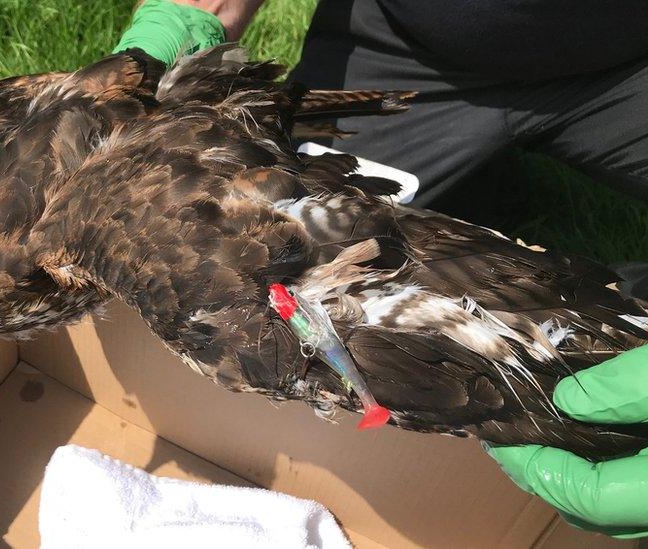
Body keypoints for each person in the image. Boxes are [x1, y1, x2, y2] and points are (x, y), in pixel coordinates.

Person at [112, 0, 648, 537]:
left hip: (626, 60)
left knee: (585, 358)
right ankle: (490, 188)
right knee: (286, 241)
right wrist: (174, 31)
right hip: (411, 51)